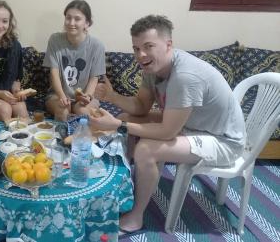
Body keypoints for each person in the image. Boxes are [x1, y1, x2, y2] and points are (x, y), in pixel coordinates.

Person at [90, 15, 246, 235]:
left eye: (148, 46)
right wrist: (112, 97)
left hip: (223, 140)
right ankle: (128, 186)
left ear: (168, 45)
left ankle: (136, 217)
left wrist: (116, 125)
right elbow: (141, 107)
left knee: (145, 149)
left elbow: (167, 131)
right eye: (136, 48)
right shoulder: (152, 68)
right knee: (127, 118)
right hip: (192, 126)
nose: (141, 55)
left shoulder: (185, 77)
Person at [43, 0, 106, 121]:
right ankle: (61, 139)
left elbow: (94, 78)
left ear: (87, 23)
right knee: (63, 111)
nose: (71, 23)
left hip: (86, 95)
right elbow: (54, 73)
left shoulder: (97, 46)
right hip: (57, 95)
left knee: (83, 112)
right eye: (68, 18)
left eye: (77, 19)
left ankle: (84, 139)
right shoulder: (55, 40)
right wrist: (62, 96)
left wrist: (87, 96)